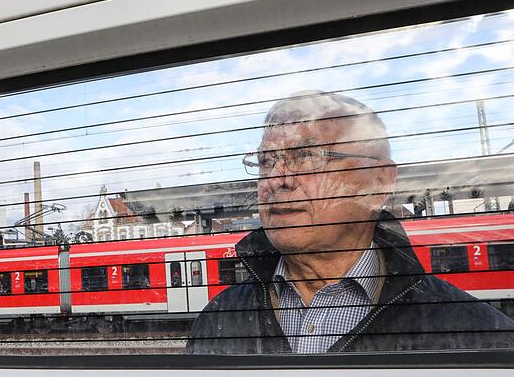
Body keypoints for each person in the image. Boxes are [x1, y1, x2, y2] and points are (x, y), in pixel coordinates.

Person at [187, 90, 514, 354]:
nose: (277, 178)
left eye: (307, 157)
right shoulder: (219, 318)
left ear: (378, 182)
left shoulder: (476, 334)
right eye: (267, 161)